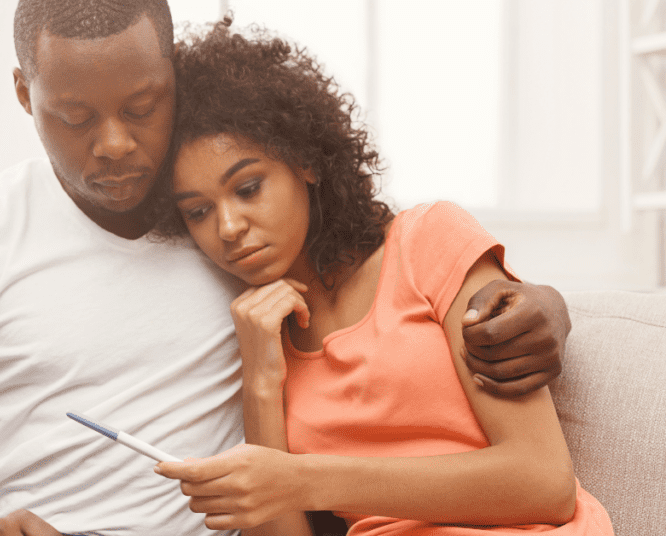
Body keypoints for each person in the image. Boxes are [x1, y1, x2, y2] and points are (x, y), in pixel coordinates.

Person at [0, 2, 574, 536]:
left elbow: (388, 265)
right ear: (25, 94)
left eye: (143, 107)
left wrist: (541, 303)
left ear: (172, 79)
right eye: (76, 117)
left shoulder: (242, 238)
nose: (115, 145)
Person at [150, 19, 613, 536]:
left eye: (248, 188)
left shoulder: (427, 241)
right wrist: (260, 380)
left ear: (306, 162)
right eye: (198, 212)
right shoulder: (260, 333)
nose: (228, 227)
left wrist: (303, 480)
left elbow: (544, 482)